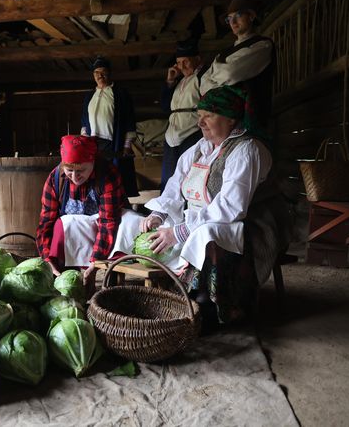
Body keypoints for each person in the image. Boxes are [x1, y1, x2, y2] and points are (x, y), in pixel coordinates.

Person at [139, 85, 290, 328]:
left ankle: (213, 303)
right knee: (164, 227)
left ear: (231, 118)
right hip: (205, 217)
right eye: (199, 117)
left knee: (205, 233)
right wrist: (159, 214)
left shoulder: (248, 150)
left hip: (250, 223)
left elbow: (231, 207)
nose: (201, 123)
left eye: (208, 116)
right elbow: (175, 187)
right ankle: (180, 293)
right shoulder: (198, 150)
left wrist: (180, 231)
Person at [36, 135, 143, 295]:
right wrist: (47, 259)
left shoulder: (108, 175)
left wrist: (96, 262)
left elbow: (109, 222)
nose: (74, 176)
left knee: (131, 221)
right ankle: (64, 282)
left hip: (106, 228)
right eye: (69, 170)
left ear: (92, 161)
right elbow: (46, 222)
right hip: (75, 229)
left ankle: (102, 281)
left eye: (81, 170)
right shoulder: (56, 179)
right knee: (63, 224)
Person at [200, 0, 275, 141]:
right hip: (223, 120)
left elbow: (230, 73)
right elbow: (203, 84)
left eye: (238, 16)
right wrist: (221, 74)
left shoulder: (262, 45)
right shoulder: (223, 54)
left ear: (251, 16)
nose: (233, 22)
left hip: (249, 116)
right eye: (229, 19)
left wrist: (216, 76)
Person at [80, 56, 139, 197]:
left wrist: (126, 145)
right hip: (93, 143)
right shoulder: (90, 96)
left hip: (114, 143)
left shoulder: (120, 94)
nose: (100, 75)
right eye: (97, 73)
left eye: (103, 72)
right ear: (93, 75)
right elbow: (84, 122)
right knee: (96, 178)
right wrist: (84, 143)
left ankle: (118, 206)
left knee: (116, 178)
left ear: (109, 73)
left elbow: (129, 121)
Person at [160, 39, 205, 191]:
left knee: (189, 177)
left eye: (186, 61)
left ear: (197, 59)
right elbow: (165, 107)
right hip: (171, 136)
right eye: (179, 62)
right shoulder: (179, 83)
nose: (182, 66)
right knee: (169, 178)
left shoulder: (202, 77)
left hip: (192, 132)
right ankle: (166, 213)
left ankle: (188, 212)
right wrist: (170, 80)